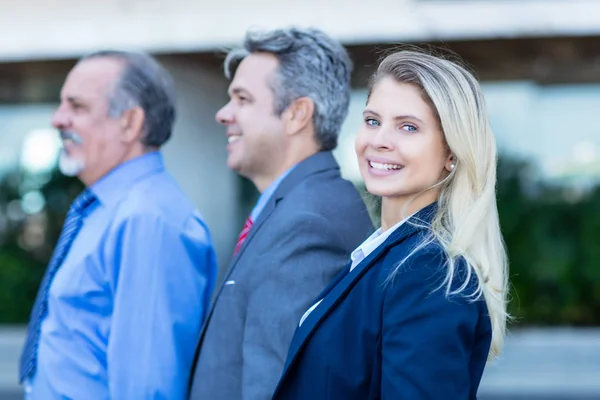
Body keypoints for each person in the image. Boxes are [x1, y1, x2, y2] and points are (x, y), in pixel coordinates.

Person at [272, 49, 510, 399]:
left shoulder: (427, 270)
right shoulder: (384, 254)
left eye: (408, 127)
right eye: (372, 120)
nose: (379, 140)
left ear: (451, 155)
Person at [19, 50, 218, 399]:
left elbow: (150, 388)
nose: (57, 119)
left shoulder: (149, 221)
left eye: (77, 107)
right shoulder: (107, 209)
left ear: (130, 123)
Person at [188, 27, 374, 400]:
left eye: (243, 99)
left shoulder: (307, 223)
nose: (224, 114)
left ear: (297, 114)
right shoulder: (297, 208)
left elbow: (277, 388)